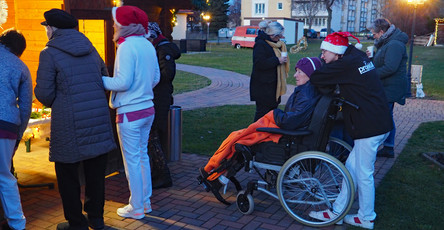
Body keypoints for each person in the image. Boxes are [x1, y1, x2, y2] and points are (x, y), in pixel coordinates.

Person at [35, 9, 117, 230]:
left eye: (46, 27)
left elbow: (44, 94)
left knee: (67, 176)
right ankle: (96, 219)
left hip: (68, 124)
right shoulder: (90, 48)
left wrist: (61, 100)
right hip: (97, 119)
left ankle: (76, 223)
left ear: (51, 28)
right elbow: (104, 75)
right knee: (95, 174)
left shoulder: (48, 53)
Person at [308, 32, 393, 229]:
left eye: (324, 52)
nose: (322, 56)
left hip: (369, 126)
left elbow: (317, 77)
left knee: (363, 173)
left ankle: (366, 217)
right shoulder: (356, 57)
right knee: (351, 169)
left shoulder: (345, 64)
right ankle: (338, 211)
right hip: (378, 121)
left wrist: (331, 85)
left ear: (336, 52)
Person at [200, 57, 322, 191]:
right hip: (290, 135)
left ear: (309, 74)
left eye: (299, 72)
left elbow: (289, 122)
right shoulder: (307, 91)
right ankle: (220, 176)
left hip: (288, 138)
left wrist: (274, 113)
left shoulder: (306, 95)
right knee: (240, 137)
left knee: (240, 141)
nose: (295, 75)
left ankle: (216, 175)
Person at [102, 6, 160, 219]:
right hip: (147, 109)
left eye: (116, 22)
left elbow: (122, 82)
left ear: (124, 25)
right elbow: (155, 78)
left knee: (132, 161)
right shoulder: (147, 44)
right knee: (142, 158)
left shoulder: (126, 47)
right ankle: (144, 203)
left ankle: (136, 207)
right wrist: (141, 89)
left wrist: (98, 79)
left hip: (129, 113)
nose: (114, 25)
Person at [0, 28, 31, 230]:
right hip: (7, 125)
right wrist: (19, 134)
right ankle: (17, 223)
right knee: (4, 175)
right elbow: (26, 105)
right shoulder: (21, 66)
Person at [367, 18, 409, 158]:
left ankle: (388, 147)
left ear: (381, 31)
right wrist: (372, 58)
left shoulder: (394, 44)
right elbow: (384, 61)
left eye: (374, 33)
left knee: (385, 116)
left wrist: (372, 74)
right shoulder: (387, 42)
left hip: (391, 86)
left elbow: (390, 67)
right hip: (387, 85)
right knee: (386, 115)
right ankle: (388, 146)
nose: (373, 36)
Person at [146, 22, 181, 189]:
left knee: (152, 135)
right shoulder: (160, 47)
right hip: (158, 97)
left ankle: (163, 175)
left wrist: (148, 79)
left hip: (159, 98)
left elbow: (167, 74)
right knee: (153, 135)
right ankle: (157, 171)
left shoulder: (163, 49)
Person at [250, 20, 289, 122]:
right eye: (278, 36)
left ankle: (267, 134)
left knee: (271, 113)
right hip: (263, 87)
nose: (280, 38)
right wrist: (277, 60)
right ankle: (255, 134)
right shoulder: (261, 44)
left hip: (273, 86)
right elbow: (259, 63)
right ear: (272, 35)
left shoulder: (275, 44)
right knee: (262, 114)